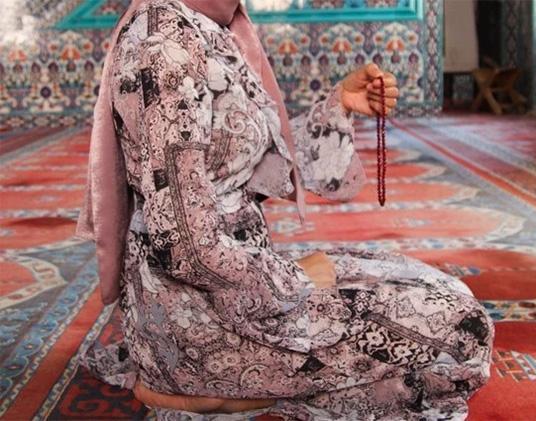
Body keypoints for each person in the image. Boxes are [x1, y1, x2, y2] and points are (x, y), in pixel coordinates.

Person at [78, 0, 493, 419]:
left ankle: (233, 388)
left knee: (443, 291)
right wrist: (292, 279)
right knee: (464, 329)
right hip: (201, 316)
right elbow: (182, 243)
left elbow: (240, 157)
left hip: (244, 281)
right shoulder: (165, 46)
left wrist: (339, 105)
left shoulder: (206, 26)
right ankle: (192, 385)